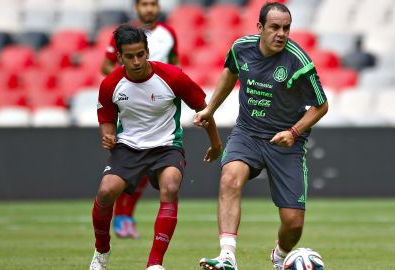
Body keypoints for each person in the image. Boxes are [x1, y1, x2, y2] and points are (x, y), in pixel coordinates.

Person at [194, 2, 328, 270]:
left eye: (286, 28)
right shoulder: (241, 48)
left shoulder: (298, 62)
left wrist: (293, 132)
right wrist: (210, 109)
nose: (281, 34)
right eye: (275, 27)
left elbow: (321, 105)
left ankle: (280, 257)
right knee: (230, 177)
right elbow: (230, 74)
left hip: (286, 141)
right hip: (248, 132)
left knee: (293, 223)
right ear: (260, 27)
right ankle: (227, 256)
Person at [89, 25, 222, 270]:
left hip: (166, 146)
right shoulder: (110, 84)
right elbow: (106, 121)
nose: (137, 61)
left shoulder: (173, 77)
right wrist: (107, 136)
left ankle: (154, 264)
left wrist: (216, 144)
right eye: (130, 56)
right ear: (119, 57)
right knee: (106, 192)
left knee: (170, 187)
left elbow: (204, 110)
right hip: (128, 147)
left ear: (148, 51)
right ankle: (101, 252)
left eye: (141, 54)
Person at [100, 0, 180, 239]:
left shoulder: (169, 33)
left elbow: (176, 63)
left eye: (153, 4)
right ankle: (123, 216)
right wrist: (127, 81)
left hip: (162, 104)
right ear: (136, 8)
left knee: (151, 162)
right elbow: (106, 66)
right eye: (144, 4)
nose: (149, 9)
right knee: (135, 157)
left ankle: (126, 215)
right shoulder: (124, 37)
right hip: (134, 106)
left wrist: (174, 83)